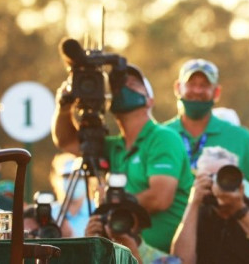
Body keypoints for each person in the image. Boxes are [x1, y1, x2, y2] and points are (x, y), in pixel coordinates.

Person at [52, 64, 193, 253]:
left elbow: (160, 198)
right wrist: (65, 105)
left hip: (164, 256)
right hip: (124, 253)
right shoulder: (113, 146)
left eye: (133, 84)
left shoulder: (162, 137)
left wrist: (111, 204)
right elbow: (67, 142)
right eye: (118, 86)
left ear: (150, 100)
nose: (124, 87)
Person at [163, 58, 249, 195]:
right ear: (178, 88)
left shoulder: (239, 136)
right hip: (173, 216)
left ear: (216, 92)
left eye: (204, 85)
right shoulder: (161, 135)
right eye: (191, 84)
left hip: (222, 215)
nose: (197, 90)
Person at [171, 146, 249, 264]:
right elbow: (181, 261)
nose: (218, 184)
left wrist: (240, 209)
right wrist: (194, 203)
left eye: (224, 176)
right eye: (211, 177)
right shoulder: (195, 215)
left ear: (240, 179)